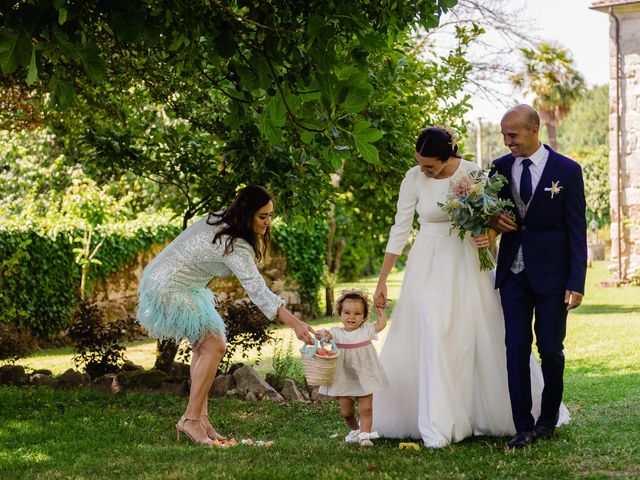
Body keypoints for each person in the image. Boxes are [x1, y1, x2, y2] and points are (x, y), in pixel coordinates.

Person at [372, 126, 569, 448]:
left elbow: (496, 218)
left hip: (465, 259)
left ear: (449, 157)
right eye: (420, 163)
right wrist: (383, 278)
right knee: (433, 329)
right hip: (427, 260)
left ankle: (484, 414)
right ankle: (438, 421)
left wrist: (490, 235)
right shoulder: (412, 178)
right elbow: (400, 226)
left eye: (430, 165)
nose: (424, 170)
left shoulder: (475, 174)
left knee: (472, 333)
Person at [137, 185, 315, 446]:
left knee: (206, 345)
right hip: (169, 285)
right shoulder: (235, 245)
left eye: (270, 215)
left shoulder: (222, 220)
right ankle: (190, 419)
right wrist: (295, 323)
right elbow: (257, 289)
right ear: (246, 213)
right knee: (214, 345)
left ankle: (201, 419)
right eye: (262, 216)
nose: (268, 222)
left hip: (180, 283)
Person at [489, 104, 587, 448]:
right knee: (514, 346)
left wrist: (576, 281)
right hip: (513, 274)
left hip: (553, 276)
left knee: (550, 348)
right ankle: (522, 426)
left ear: (534, 130)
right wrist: (493, 222)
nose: (507, 142)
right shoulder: (498, 168)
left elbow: (578, 229)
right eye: (504, 135)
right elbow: (492, 214)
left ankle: (547, 420)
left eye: (512, 135)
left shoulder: (567, 170)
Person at [316, 289, 389, 447]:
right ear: (340, 314)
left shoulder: (365, 330)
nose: (351, 317)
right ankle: (356, 430)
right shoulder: (336, 333)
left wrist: (381, 311)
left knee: (366, 407)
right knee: (347, 413)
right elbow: (325, 334)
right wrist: (322, 334)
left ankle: (365, 437)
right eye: (347, 312)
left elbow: (381, 324)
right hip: (344, 378)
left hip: (364, 376)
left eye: (357, 314)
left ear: (364, 317)